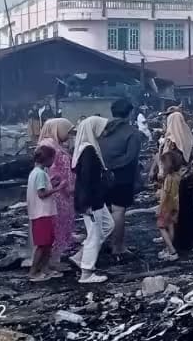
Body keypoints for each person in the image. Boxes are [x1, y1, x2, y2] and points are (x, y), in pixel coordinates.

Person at [100, 99, 144, 259]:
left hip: (102, 177)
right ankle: (117, 246)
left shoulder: (103, 130)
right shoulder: (132, 133)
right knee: (118, 211)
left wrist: (106, 166)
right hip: (122, 177)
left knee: (103, 212)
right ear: (130, 113)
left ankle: (104, 242)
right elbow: (131, 158)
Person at [73, 116, 113, 284]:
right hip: (91, 200)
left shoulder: (87, 148)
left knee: (108, 225)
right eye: (102, 128)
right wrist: (87, 203)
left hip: (95, 198)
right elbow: (87, 179)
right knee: (94, 234)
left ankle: (80, 257)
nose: (104, 132)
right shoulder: (88, 151)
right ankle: (86, 272)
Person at [38, 118, 78, 262]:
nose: (69, 134)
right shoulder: (48, 146)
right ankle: (52, 260)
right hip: (58, 192)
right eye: (66, 131)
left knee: (62, 223)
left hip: (63, 191)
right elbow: (52, 170)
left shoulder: (56, 145)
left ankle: (56, 257)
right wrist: (64, 185)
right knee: (57, 225)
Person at [162, 111, 193, 254]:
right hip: (188, 179)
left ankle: (174, 242)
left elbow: (167, 163)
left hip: (174, 180)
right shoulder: (190, 136)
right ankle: (189, 239)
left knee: (173, 209)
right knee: (188, 209)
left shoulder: (171, 141)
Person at [151, 130, 187, 262]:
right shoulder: (178, 176)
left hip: (167, 204)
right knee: (171, 225)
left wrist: (160, 207)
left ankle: (171, 250)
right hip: (175, 204)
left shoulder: (168, 179)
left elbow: (165, 194)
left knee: (161, 226)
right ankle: (169, 249)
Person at [28, 145, 59, 281]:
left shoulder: (36, 173)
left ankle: (44, 268)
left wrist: (52, 183)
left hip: (41, 213)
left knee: (47, 243)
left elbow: (40, 188)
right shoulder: (41, 173)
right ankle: (34, 271)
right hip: (42, 213)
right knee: (42, 244)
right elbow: (41, 193)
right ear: (46, 159)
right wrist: (58, 189)